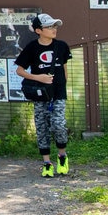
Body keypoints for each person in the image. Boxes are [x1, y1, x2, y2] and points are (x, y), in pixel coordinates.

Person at [14, 14, 71, 177]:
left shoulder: (62, 46)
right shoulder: (32, 47)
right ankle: (46, 163)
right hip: (40, 94)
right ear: (38, 30)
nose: (54, 30)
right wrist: (38, 77)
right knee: (42, 127)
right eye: (50, 27)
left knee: (59, 125)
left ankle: (62, 156)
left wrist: (61, 87)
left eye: (55, 26)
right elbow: (20, 70)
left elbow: (65, 70)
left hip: (58, 94)